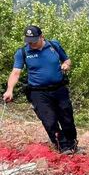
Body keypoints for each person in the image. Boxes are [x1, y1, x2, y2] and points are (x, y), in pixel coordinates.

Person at [3, 25, 77, 153]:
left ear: (42, 37)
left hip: (59, 89)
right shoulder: (23, 52)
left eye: (34, 40)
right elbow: (15, 72)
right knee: (49, 120)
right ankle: (62, 146)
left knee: (66, 117)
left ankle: (72, 143)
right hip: (38, 92)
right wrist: (10, 90)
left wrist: (65, 65)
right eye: (29, 41)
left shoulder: (54, 46)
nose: (31, 43)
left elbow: (67, 60)